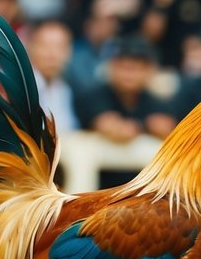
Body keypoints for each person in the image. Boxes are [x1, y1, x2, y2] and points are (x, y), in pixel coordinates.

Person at [74, 36, 193, 187]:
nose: (129, 74)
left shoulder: (153, 100)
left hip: (141, 188)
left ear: (149, 71)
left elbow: (166, 126)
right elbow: (115, 129)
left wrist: (140, 126)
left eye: (136, 68)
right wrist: (145, 126)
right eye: (124, 67)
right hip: (99, 186)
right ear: (111, 67)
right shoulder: (95, 96)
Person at [28, 20, 78, 135]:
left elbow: (68, 129)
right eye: (45, 46)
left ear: (69, 52)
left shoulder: (64, 89)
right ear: (31, 47)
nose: (52, 54)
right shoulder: (20, 87)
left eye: (59, 47)